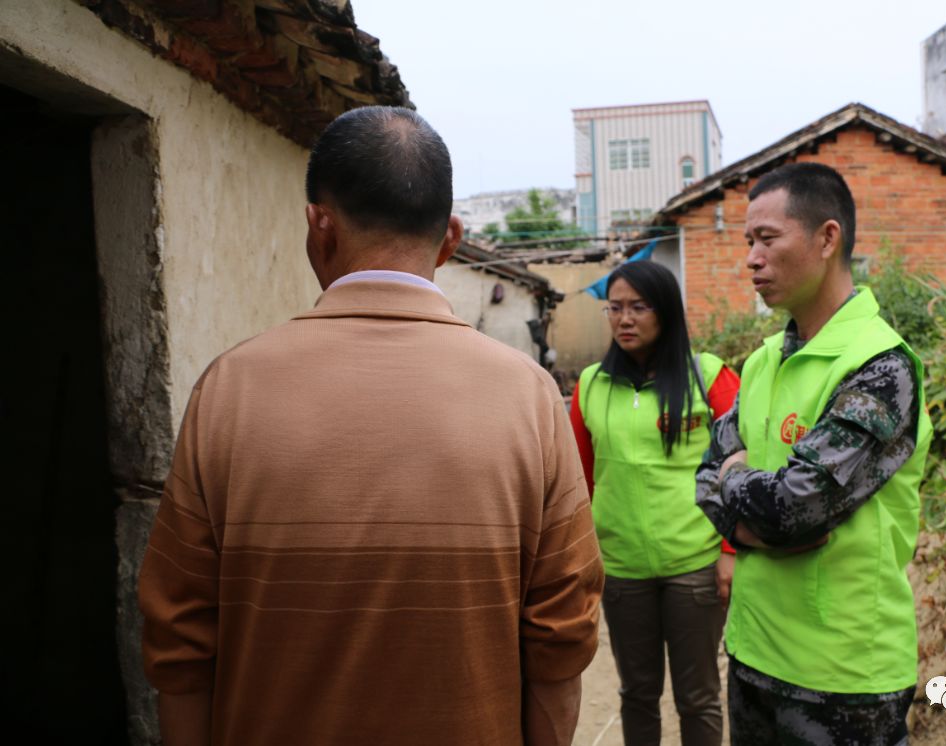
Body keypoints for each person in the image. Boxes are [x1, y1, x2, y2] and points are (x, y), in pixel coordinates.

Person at [138, 106, 604, 746]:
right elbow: (561, 639)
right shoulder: (528, 396)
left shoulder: (228, 389)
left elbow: (180, 641)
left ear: (317, 226)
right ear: (451, 237)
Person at [695, 162, 933, 745]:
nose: (751, 257)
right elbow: (704, 480)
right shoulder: (760, 362)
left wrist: (741, 488)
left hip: (843, 677)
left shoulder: (880, 366)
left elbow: (795, 508)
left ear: (828, 238)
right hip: (753, 654)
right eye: (748, 241)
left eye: (767, 239)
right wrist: (749, 512)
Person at [569, 260, 740, 746]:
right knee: (637, 692)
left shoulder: (709, 378)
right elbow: (580, 483)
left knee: (698, 695)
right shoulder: (591, 387)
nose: (624, 319)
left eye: (638, 307)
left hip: (695, 566)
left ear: (665, 312)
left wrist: (730, 553)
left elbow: (748, 470)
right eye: (615, 308)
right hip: (621, 570)